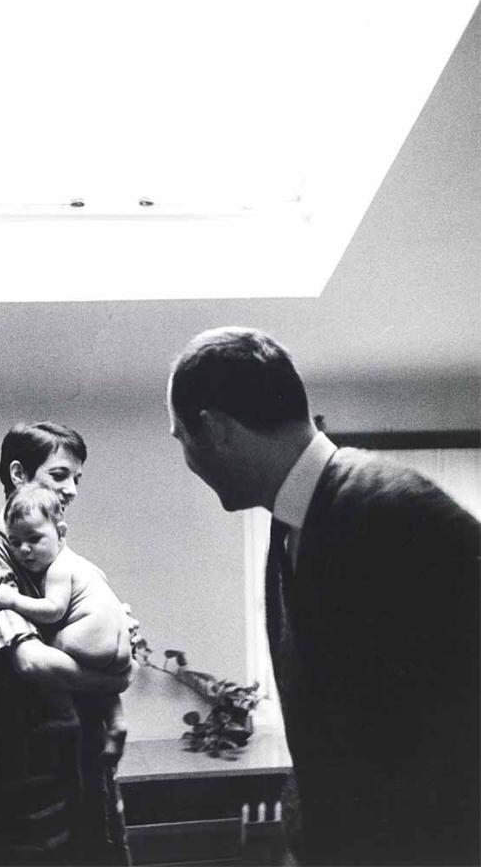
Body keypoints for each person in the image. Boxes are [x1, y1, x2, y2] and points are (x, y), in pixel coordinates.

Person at [167, 327, 480, 867]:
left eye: (182, 439)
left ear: (214, 430)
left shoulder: (391, 508)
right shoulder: (290, 524)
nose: (188, 461)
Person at [0, 421, 133, 867]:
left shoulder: (53, 551)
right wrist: (116, 674)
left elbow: (89, 625)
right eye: (59, 475)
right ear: (18, 474)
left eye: (77, 478)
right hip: (23, 774)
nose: (72, 488)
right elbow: (31, 664)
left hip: (83, 763)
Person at [0, 484, 130, 762]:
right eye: (15, 542)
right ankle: (116, 725)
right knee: (100, 682)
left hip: (92, 633)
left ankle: (65, 719)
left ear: (61, 533)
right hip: (118, 643)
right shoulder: (81, 563)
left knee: (50, 650)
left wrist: (13, 599)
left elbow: (54, 610)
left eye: (34, 538)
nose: (24, 550)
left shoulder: (57, 569)